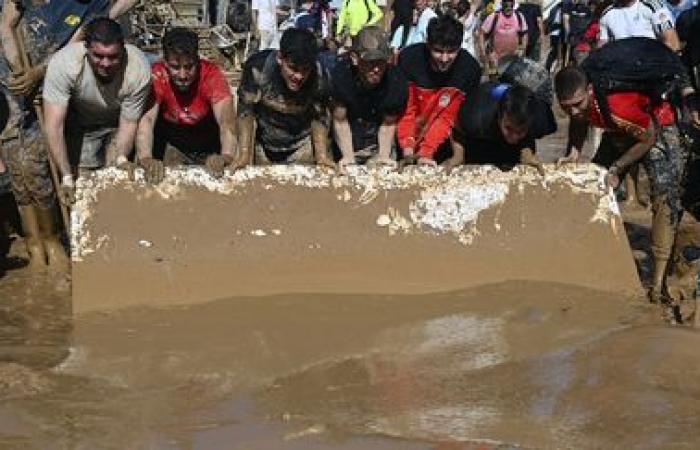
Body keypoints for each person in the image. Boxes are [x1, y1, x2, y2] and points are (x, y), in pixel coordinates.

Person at [0, 0, 135, 270]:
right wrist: (19, 72)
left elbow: (71, 46)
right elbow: (6, 24)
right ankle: (32, 241)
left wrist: (38, 74)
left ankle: (51, 238)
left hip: (49, 78)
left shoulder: (94, 6)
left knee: (39, 162)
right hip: (12, 72)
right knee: (17, 162)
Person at [554, 66, 700, 312]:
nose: (574, 111)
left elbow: (648, 137)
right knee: (594, 187)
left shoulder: (616, 105)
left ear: (589, 90)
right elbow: (579, 121)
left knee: (666, 199)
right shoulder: (581, 106)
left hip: (658, 129)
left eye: (578, 103)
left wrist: (617, 168)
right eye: (566, 107)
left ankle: (658, 284)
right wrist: (574, 153)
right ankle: (585, 256)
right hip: (622, 130)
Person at [43, 18, 151, 206]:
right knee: (84, 189)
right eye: (98, 56)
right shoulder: (64, 64)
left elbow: (129, 122)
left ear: (123, 50)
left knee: (117, 185)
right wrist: (66, 176)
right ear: (86, 49)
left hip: (118, 123)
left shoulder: (138, 68)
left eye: (113, 56)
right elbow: (54, 126)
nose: (106, 63)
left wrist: (121, 158)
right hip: (83, 124)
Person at [134, 28, 237, 183]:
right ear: (165, 62)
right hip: (173, 143)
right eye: (175, 67)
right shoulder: (156, 75)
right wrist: (146, 158)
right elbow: (146, 120)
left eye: (189, 67)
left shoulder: (211, 75)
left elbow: (226, 121)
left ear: (197, 60)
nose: (183, 75)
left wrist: (226, 156)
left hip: (207, 143)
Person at [235, 28, 334, 168]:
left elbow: (320, 118)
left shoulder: (320, 76)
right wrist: (244, 154)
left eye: (305, 70)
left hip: (302, 144)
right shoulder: (257, 69)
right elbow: (245, 112)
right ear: (280, 58)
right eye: (293, 68)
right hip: (264, 142)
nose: (299, 77)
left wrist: (321, 156)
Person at [397, 14, 481, 168]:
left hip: (441, 141)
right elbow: (406, 109)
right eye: (438, 51)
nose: (444, 58)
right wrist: (407, 149)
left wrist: (426, 152)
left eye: (451, 52)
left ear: (460, 46)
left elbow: (449, 117)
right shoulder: (408, 60)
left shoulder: (470, 69)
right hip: (405, 137)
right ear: (428, 44)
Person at [330, 26, 408, 168]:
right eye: (370, 62)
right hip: (349, 136)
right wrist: (348, 156)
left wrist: (383, 156)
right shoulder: (340, 76)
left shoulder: (396, 81)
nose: (376, 69)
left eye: (380, 62)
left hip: (378, 138)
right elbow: (340, 121)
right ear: (354, 58)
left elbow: (389, 123)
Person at [451, 82, 555, 171]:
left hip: (513, 140)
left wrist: (527, 152)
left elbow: (527, 135)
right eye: (509, 128)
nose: (513, 136)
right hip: (480, 136)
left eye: (520, 131)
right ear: (499, 116)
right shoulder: (474, 115)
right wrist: (458, 155)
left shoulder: (541, 120)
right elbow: (456, 127)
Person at [598, 0, 679, 51]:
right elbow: (602, 47)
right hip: (622, 71)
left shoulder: (653, 6)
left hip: (653, 67)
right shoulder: (607, 14)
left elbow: (672, 42)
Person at [478, 0, 528, 74]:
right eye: (506, 6)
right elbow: (481, 34)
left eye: (511, 6)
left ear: (513, 4)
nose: (508, 8)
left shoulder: (519, 16)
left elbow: (524, 33)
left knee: (512, 81)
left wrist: (523, 49)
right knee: (495, 83)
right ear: (501, 4)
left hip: (513, 58)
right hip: (495, 58)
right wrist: (483, 53)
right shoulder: (494, 16)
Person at [544, 0, 564, 71]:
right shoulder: (561, 9)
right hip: (558, 32)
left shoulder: (554, 8)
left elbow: (550, 20)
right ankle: (549, 67)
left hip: (554, 32)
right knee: (556, 51)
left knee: (554, 51)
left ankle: (548, 67)